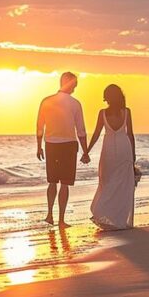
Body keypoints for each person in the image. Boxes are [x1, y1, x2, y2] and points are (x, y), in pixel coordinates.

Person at [36, 72, 89, 227]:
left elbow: (40, 125)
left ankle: (49, 215)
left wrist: (39, 146)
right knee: (64, 183)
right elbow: (81, 131)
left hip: (51, 144)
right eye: (75, 84)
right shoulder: (75, 103)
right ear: (70, 84)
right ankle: (61, 220)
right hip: (68, 145)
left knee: (52, 181)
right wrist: (85, 151)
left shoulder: (46, 101)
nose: (75, 88)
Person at [85, 84, 136, 230]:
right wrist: (133, 155)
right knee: (122, 185)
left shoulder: (102, 113)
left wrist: (87, 151)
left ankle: (103, 211)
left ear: (107, 97)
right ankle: (118, 218)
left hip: (108, 150)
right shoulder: (126, 112)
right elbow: (130, 135)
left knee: (107, 182)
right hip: (124, 148)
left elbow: (96, 134)